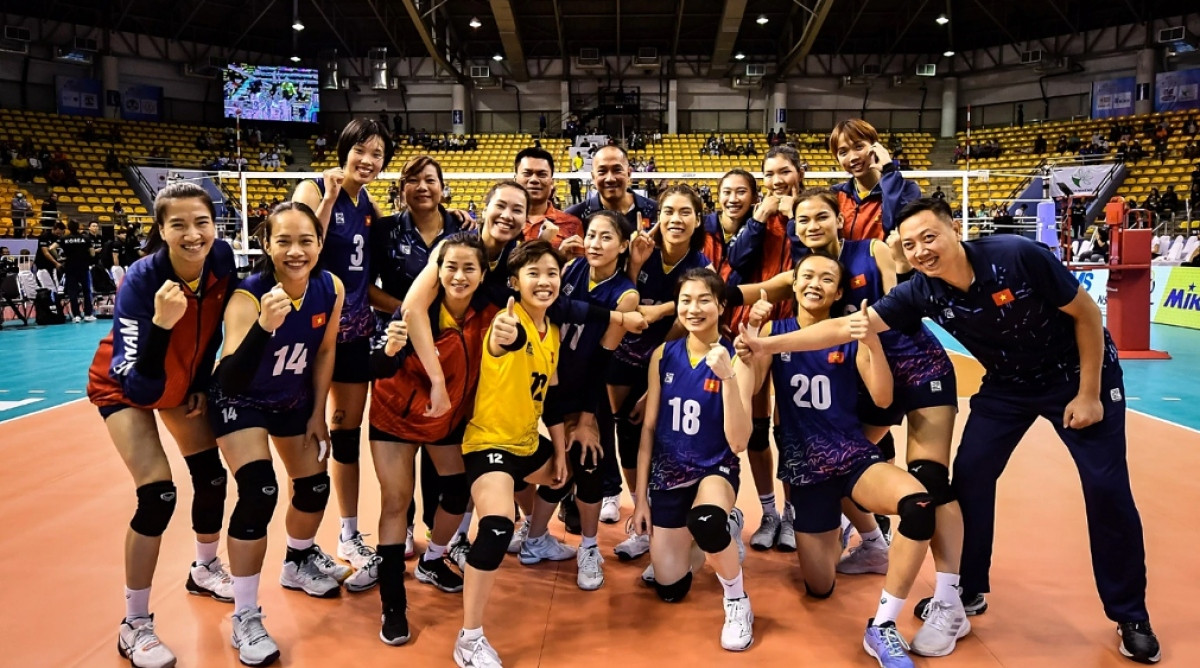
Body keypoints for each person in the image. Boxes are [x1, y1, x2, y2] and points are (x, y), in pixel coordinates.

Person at [738, 197, 1161, 664]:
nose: (921, 251)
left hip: (1077, 375)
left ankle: (1131, 616)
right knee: (970, 478)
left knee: (1106, 489)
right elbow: (845, 329)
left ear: (954, 229)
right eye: (911, 244)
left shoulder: (1015, 256)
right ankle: (965, 592)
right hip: (1008, 386)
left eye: (929, 237)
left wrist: (1088, 393)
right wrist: (765, 345)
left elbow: (1087, 315)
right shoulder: (922, 291)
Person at [739, 252, 940, 665]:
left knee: (919, 505)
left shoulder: (851, 333)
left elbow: (883, 398)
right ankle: (851, 534)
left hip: (852, 457)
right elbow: (755, 383)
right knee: (819, 586)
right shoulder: (777, 333)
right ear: (792, 286)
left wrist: (871, 343)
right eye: (806, 276)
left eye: (826, 278)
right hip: (805, 472)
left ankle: (883, 625)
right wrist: (754, 331)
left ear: (839, 291)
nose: (815, 283)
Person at [86, 183, 237, 668]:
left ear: (216, 225)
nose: (192, 234)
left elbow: (215, 332)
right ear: (161, 230)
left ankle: (206, 568)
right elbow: (141, 388)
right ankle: (134, 624)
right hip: (127, 385)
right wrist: (164, 324)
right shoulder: (141, 280)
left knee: (212, 477)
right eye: (178, 224)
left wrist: (202, 382)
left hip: (180, 381)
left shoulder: (223, 260)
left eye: (201, 222)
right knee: (158, 494)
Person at [207, 202, 344, 665]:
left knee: (314, 486)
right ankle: (245, 615)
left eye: (306, 240)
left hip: (291, 397)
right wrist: (266, 326)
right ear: (266, 244)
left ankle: (298, 561)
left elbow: (325, 353)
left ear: (320, 244)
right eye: (283, 240)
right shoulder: (249, 296)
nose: (295, 250)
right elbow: (230, 379)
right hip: (241, 400)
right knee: (259, 491)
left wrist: (317, 414)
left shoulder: (330, 287)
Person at [368, 233, 493, 644]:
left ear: (482, 273)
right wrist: (436, 382)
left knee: (458, 491)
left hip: (446, 421)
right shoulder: (415, 315)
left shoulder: (487, 313)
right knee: (396, 501)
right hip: (396, 418)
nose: (459, 275)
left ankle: (433, 559)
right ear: (436, 271)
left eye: (469, 268)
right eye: (450, 267)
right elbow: (404, 320)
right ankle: (393, 605)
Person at [451, 241, 570, 668]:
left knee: (566, 475)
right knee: (497, 525)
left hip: (525, 442)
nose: (544, 281)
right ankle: (469, 638)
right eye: (533, 273)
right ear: (515, 282)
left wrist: (559, 451)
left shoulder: (551, 330)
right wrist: (506, 337)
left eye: (552, 273)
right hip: (490, 444)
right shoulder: (507, 322)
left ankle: (535, 538)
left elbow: (553, 400)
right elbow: (503, 343)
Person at [629, 268, 755, 652]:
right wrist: (640, 498)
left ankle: (737, 600)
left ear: (720, 306)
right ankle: (718, 534)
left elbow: (738, 442)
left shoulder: (739, 357)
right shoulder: (662, 356)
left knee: (705, 518)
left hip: (714, 467)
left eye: (704, 300)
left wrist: (728, 380)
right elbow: (648, 429)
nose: (694, 308)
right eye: (686, 300)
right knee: (670, 588)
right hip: (668, 474)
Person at [513, 210, 640, 589]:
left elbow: (603, 357)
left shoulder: (626, 294)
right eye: (593, 235)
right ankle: (534, 537)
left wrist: (587, 417)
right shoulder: (569, 270)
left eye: (606, 237)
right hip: (547, 381)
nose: (596, 243)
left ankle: (587, 546)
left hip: (586, 388)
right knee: (554, 463)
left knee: (586, 460)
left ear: (622, 246)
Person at [293, 119, 394, 589]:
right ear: (344, 147)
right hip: (311, 333)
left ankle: (349, 533)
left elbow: (363, 283)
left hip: (353, 333)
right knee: (303, 435)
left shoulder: (368, 205)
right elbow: (296, 253)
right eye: (361, 149)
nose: (367, 160)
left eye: (377, 153)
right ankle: (298, 549)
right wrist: (328, 200)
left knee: (344, 433)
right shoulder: (314, 187)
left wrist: (411, 308)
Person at [608, 185, 713, 562]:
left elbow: (685, 324)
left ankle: (682, 521)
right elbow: (623, 300)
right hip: (624, 359)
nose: (676, 219)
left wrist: (655, 383)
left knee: (666, 441)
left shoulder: (702, 266)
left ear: (697, 220)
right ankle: (641, 517)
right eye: (669, 211)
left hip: (669, 363)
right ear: (658, 216)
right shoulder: (638, 252)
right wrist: (634, 266)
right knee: (628, 435)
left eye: (685, 212)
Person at [829, 119, 921, 242]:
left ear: (876, 147)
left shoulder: (907, 189)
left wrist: (889, 172)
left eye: (859, 147)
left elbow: (895, 227)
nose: (853, 157)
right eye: (843, 152)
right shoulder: (835, 195)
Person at [565, 145, 658, 230]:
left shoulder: (654, 210)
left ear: (629, 173)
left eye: (617, 170)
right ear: (593, 177)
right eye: (602, 171)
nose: (610, 179)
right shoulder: (574, 217)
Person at [514, 147, 583, 248]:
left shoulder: (572, 224)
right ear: (515, 180)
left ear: (552, 182)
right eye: (527, 174)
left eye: (542, 174)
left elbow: (578, 263)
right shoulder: (504, 222)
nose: (534, 180)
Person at [60, 219, 96, 322]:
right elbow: (92, 253)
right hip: (83, 267)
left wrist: (59, 258)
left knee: (73, 292)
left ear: (68, 228)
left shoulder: (64, 239)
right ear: (78, 227)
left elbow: (52, 248)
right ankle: (88, 314)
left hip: (70, 268)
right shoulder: (85, 238)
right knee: (86, 291)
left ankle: (76, 315)